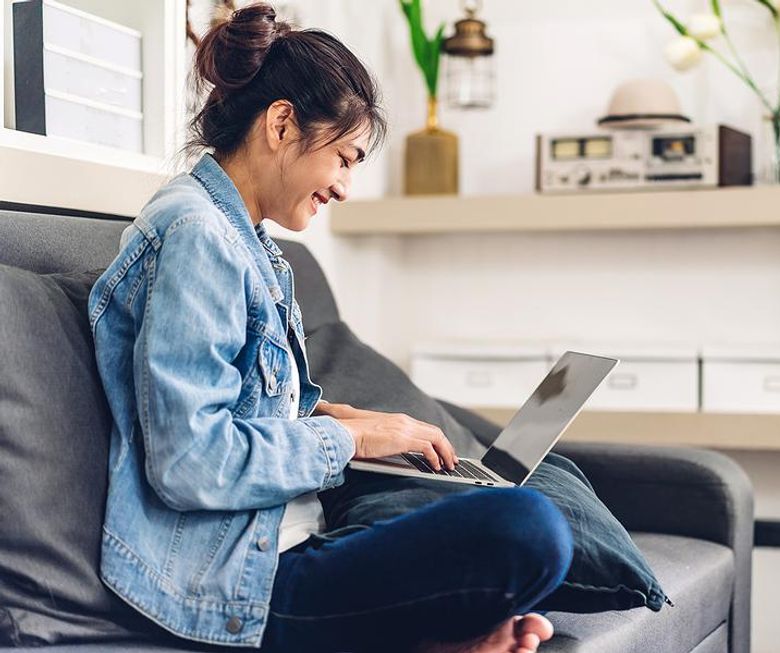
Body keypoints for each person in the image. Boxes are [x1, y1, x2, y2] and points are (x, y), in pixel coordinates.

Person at [87, 4, 574, 653]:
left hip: (293, 534)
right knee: (531, 528)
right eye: (344, 157)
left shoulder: (248, 242)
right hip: (245, 582)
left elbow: (253, 410)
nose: (345, 186)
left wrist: (374, 430)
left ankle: (453, 629)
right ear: (282, 123)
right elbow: (189, 460)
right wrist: (349, 437)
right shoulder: (197, 235)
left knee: (523, 508)